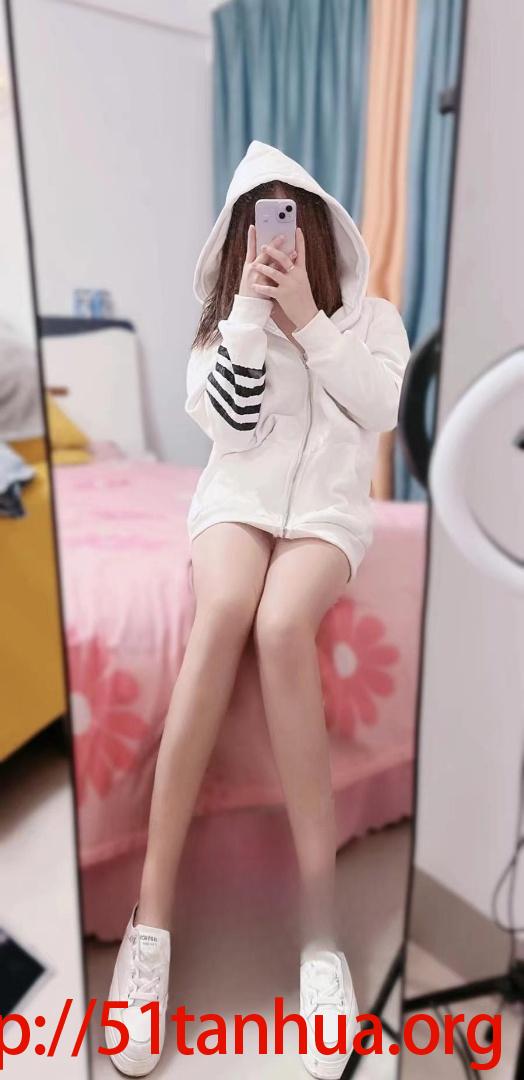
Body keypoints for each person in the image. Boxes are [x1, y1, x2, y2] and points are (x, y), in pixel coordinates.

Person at [105, 141, 410, 1078]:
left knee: (282, 626)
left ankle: (321, 940)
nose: (274, 239)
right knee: (226, 611)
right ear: (239, 239)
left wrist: (311, 321)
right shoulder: (218, 330)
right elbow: (229, 428)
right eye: (257, 224)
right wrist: (247, 315)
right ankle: (150, 923)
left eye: (288, 219)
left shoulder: (371, 319)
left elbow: (378, 410)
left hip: (325, 516)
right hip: (234, 504)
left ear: (315, 227)